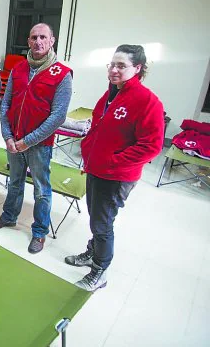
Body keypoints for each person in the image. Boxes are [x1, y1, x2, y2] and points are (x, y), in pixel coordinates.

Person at [66, 44, 164, 291]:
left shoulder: (146, 101)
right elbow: (99, 127)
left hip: (116, 175)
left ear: (138, 68)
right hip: (96, 169)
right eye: (112, 64)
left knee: (103, 223)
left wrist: (112, 161)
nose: (114, 70)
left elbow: (152, 146)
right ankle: (93, 252)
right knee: (97, 218)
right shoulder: (112, 93)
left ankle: (100, 270)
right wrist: (90, 154)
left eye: (122, 66)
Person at [0, 23, 72, 254]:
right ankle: (9, 216)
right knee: (14, 182)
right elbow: (6, 104)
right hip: (14, 141)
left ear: (52, 40)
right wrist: (8, 136)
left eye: (43, 37)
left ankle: (40, 232)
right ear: (28, 41)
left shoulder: (62, 74)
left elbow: (58, 117)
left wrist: (28, 141)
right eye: (34, 37)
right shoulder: (19, 69)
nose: (38, 41)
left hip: (39, 146)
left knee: (41, 189)